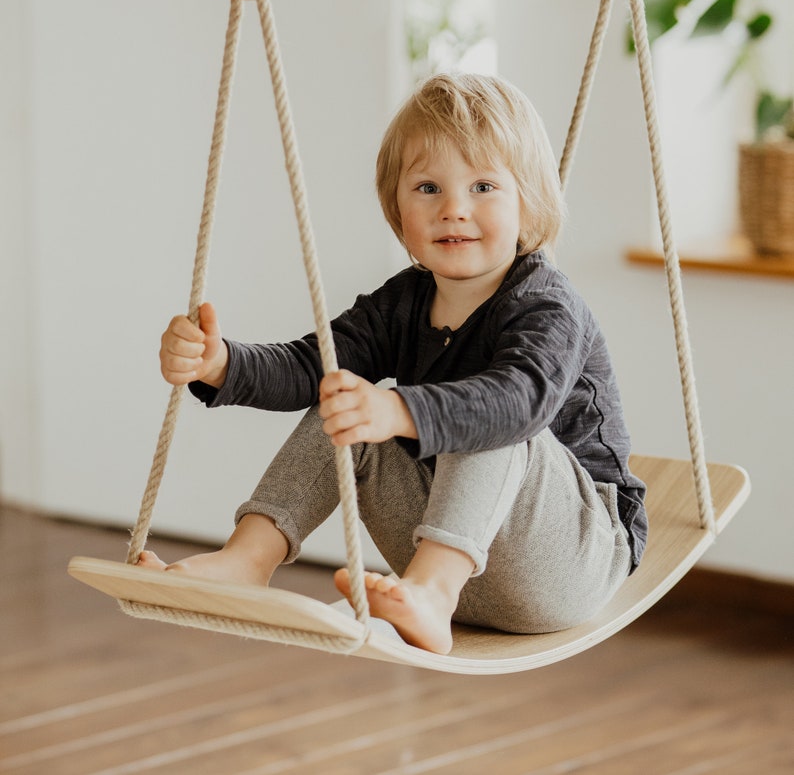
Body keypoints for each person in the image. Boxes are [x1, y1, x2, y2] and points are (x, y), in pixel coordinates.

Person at [137, 72, 647, 655]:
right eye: (428, 188)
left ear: (528, 204)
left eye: (483, 186)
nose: (454, 209)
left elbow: (518, 400)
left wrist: (399, 407)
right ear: (396, 207)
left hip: (568, 561)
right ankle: (247, 560)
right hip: (449, 545)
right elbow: (310, 364)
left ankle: (433, 590)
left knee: (492, 414)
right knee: (343, 398)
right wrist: (221, 364)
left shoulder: (548, 306)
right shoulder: (402, 302)